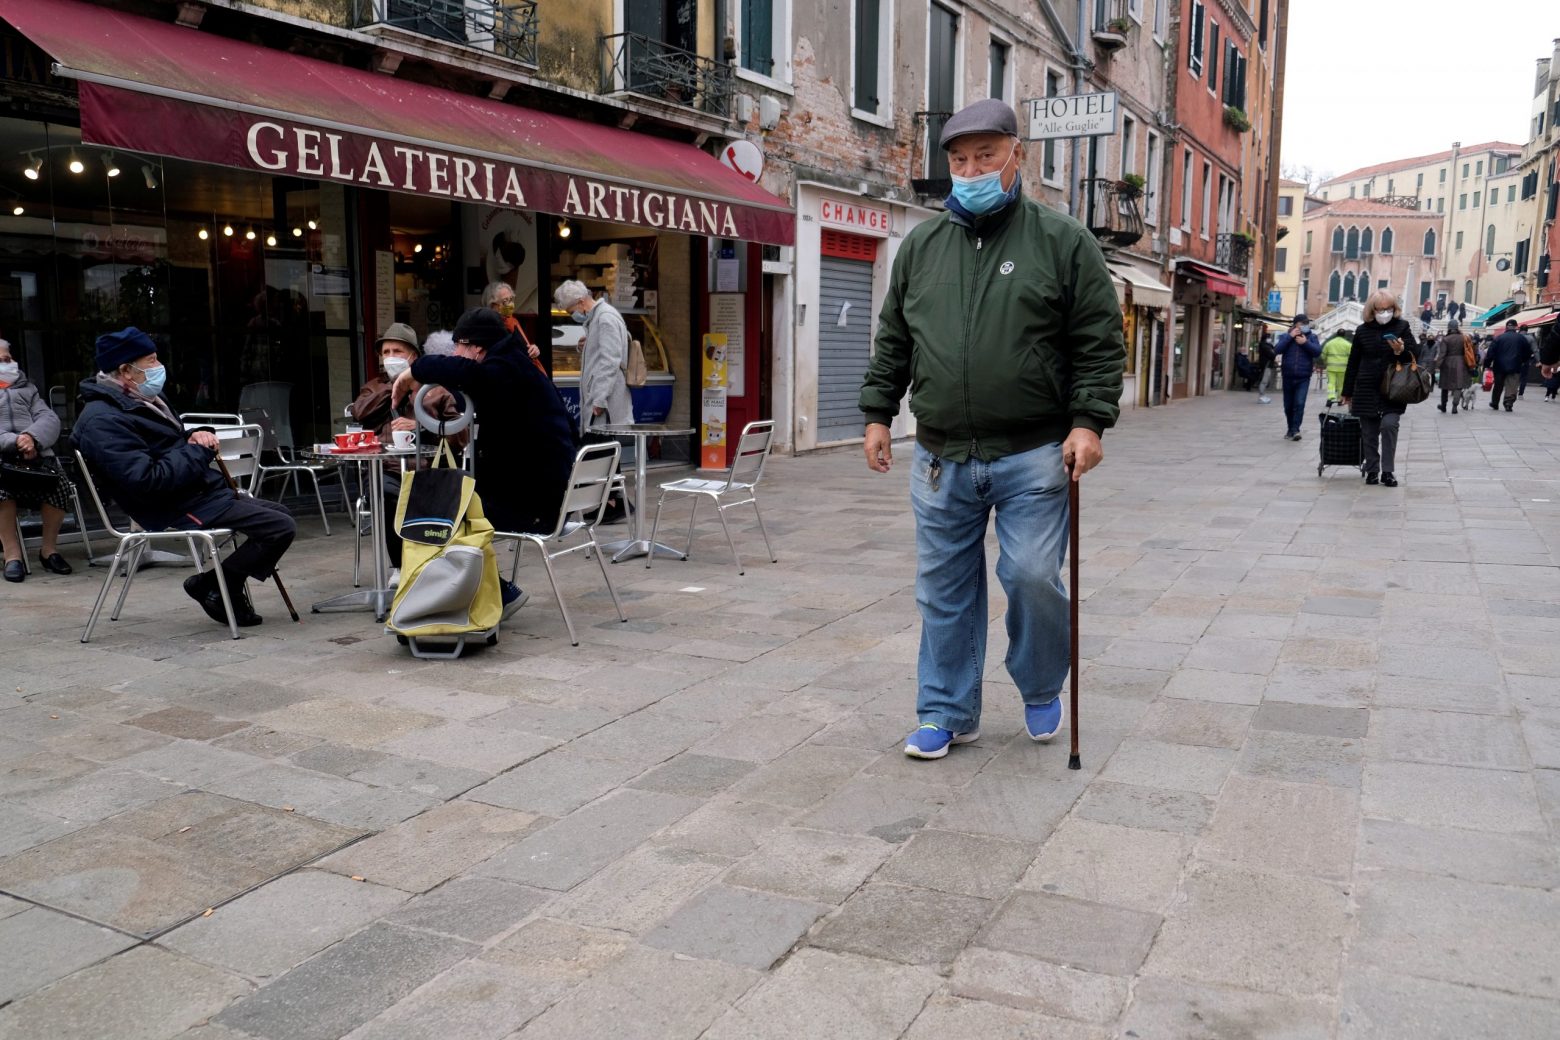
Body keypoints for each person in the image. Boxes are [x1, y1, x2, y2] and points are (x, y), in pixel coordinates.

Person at [857, 98, 1124, 761]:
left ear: (1017, 156)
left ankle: (1039, 686)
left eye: (985, 156)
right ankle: (947, 710)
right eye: (958, 159)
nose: (970, 169)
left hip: (1034, 451)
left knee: (1033, 575)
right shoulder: (921, 245)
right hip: (941, 455)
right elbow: (894, 339)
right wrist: (876, 414)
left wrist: (1088, 422)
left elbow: (1099, 341)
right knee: (942, 592)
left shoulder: (1063, 241)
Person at [71, 327, 296, 625]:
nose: (158, 367)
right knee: (279, 526)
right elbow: (146, 479)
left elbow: (168, 444)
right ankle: (217, 584)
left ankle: (219, 583)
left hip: (194, 492)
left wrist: (196, 435)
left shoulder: (142, 398)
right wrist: (199, 451)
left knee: (278, 515)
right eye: (151, 361)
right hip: (168, 505)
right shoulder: (102, 420)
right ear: (126, 370)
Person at [390, 307, 577, 618]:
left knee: (446, 511)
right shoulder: (519, 367)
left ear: (475, 346)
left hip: (535, 506)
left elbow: (467, 373)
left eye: (458, 348)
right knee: (453, 498)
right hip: (546, 492)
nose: (456, 354)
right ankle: (468, 592)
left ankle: (495, 595)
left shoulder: (504, 369)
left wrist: (414, 370)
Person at [348, 323, 469, 584]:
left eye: (398, 351)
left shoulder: (435, 390)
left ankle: (430, 562)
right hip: (386, 469)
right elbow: (361, 412)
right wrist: (395, 386)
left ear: (413, 356)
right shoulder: (373, 387)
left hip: (428, 469)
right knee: (389, 494)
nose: (391, 356)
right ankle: (400, 566)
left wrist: (422, 425)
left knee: (429, 492)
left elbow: (459, 438)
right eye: (386, 351)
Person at [1, 337, 76, 582]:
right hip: (3, 458)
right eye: (1, 360)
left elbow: (49, 419)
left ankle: (48, 550)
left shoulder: (28, 389)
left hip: (37, 453)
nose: (7, 363)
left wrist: (32, 438)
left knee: (59, 484)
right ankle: (13, 555)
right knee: (2, 490)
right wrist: (16, 442)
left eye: (8, 358)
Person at [1342, 292, 1418, 487]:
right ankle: (1372, 470)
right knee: (1369, 432)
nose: (1385, 313)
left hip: (1393, 387)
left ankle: (1388, 471)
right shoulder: (1362, 331)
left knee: (1389, 425)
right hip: (1366, 387)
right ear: (1372, 310)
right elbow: (1353, 362)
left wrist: (1400, 351)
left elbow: (1414, 354)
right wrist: (1347, 392)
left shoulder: (1402, 327)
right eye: (1381, 309)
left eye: (1389, 309)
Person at [553, 280, 634, 435]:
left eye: (571, 312)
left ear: (581, 302)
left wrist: (599, 399)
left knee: (603, 451)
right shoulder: (598, 317)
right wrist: (586, 345)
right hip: (603, 399)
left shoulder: (604, 318)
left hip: (607, 404)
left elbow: (610, 361)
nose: (572, 316)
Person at [1273, 315, 1321, 440]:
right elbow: (1277, 350)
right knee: (1288, 405)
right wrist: (1290, 337)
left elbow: (1317, 352)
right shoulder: (1285, 336)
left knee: (1299, 403)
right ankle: (1290, 428)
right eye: (1301, 324)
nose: (1303, 326)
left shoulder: (1312, 337)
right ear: (1295, 325)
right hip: (1288, 376)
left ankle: (1295, 430)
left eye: (1306, 324)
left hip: (1303, 377)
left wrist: (1305, 343)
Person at [482, 281, 545, 372]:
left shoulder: (513, 321)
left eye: (511, 299)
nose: (510, 304)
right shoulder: (487, 327)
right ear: (493, 305)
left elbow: (525, 348)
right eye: (505, 301)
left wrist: (534, 350)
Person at [1486, 319, 1533, 412]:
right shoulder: (1521, 338)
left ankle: (1495, 402)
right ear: (1516, 327)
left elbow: (1491, 352)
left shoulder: (1499, 338)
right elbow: (1528, 352)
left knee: (1498, 385)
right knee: (1512, 385)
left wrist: (1487, 364)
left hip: (1499, 365)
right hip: (1515, 365)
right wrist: (1523, 360)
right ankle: (1508, 403)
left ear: (1506, 327)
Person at [1432, 319, 1473, 414]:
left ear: (1449, 328)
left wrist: (1437, 365)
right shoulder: (1464, 338)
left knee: (1445, 386)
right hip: (1461, 363)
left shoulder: (1445, 339)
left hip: (1447, 363)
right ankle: (1455, 405)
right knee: (1458, 385)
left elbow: (1442, 354)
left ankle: (1443, 406)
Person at [1321, 327, 1353, 404]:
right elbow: (1351, 357)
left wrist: (1325, 361)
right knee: (1341, 384)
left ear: (1336, 334)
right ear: (1344, 335)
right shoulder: (1348, 344)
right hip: (1343, 368)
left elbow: (1323, 355)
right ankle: (1340, 399)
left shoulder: (1329, 343)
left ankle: (1330, 397)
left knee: (1331, 383)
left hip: (1331, 367)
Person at [1256, 333, 1277, 404]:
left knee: (1265, 380)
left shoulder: (1266, 345)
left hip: (1267, 365)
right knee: (1264, 381)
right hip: (1266, 365)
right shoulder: (1265, 346)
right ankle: (1261, 396)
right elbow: (1272, 354)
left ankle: (1262, 395)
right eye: (1269, 337)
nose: (1270, 339)